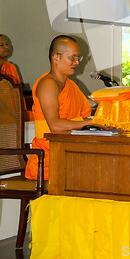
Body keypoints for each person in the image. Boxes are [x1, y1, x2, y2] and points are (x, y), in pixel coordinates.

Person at [25, 35, 96, 180]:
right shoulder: (48, 84)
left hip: (70, 149)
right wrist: (91, 123)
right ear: (56, 57)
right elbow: (55, 126)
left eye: (78, 58)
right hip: (48, 157)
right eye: (73, 58)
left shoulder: (71, 85)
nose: (77, 62)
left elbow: (81, 117)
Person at [0, 33, 33, 120]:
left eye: (7, 44)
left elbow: (18, 94)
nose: (6, 47)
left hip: (12, 113)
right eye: (1, 45)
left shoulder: (11, 67)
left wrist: (23, 111)